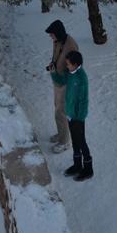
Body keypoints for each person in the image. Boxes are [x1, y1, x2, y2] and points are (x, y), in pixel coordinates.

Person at [52, 51, 93, 181]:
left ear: (76, 64)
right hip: (70, 114)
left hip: (78, 117)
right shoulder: (70, 74)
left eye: (68, 64)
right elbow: (60, 80)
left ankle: (88, 169)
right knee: (75, 142)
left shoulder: (82, 78)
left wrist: (79, 117)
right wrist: (53, 72)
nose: (67, 66)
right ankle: (77, 165)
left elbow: (83, 100)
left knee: (81, 142)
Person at [45, 20, 78, 153]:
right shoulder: (58, 41)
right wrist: (53, 65)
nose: (50, 37)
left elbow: (75, 69)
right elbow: (57, 57)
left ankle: (64, 142)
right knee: (57, 109)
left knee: (61, 112)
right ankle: (61, 134)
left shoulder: (71, 46)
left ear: (58, 33)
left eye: (52, 34)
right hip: (58, 81)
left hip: (66, 84)